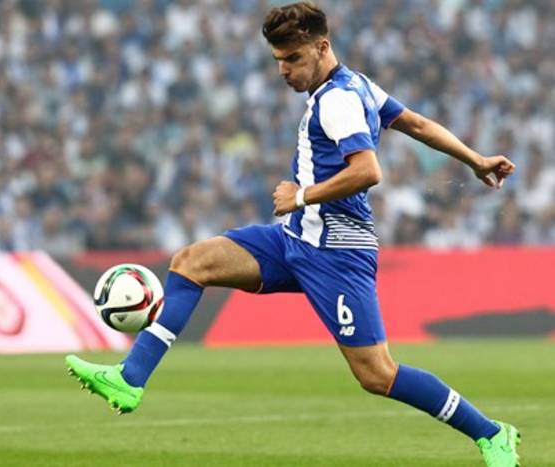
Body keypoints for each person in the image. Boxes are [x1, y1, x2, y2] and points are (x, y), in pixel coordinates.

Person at [66, 3, 519, 465]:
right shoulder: (358, 85)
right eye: (278, 60)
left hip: (337, 251)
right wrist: (475, 159)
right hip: (295, 239)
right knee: (191, 262)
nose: (283, 70)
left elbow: (368, 171)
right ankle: (131, 378)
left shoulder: (338, 100)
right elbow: (416, 123)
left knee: (377, 375)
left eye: (293, 58)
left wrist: (301, 196)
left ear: (322, 47)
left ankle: (492, 433)